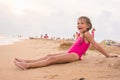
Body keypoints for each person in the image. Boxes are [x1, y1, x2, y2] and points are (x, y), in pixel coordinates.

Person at [14, 16, 118, 70]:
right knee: (48, 55)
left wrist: (108, 55)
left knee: (51, 59)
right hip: (69, 53)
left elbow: (96, 45)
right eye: (78, 23)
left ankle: (27, 66)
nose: (79, 25)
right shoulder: (80, 34)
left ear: (88, 25)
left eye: (82, 23)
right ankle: (27, 61)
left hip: (75, 55)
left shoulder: (87, 34)